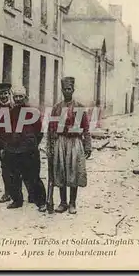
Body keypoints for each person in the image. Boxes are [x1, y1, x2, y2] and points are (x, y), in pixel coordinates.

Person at [47, 77, 92, 214]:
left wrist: (88, 146)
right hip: (60, 141)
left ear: (73, 90)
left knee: (73, 171)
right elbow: (51, 128)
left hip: (74, 142)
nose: (67, 91)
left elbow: (86, 128)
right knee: (61, 171)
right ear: (62, 90)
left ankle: (72, 203)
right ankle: (63, 202)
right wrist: (50, 146)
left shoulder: (79, 107)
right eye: (65, 89)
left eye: (69, 89)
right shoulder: (56, 108)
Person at [3, 85, 47, 212]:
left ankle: (41, 202)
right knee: (14, 176)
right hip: (14, 149)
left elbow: (39, 131)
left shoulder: (32, 112)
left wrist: (32, 144)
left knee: (33, 176)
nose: (18, 99)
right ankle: (17, 200)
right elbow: (6, 130)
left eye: (20, 96)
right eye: (16, 96)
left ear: (25, 97)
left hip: (29, 149)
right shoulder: (10, 113)